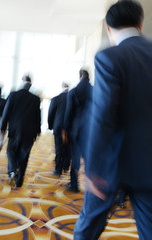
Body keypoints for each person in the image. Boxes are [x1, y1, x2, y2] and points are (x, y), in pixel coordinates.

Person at [74, 1, 152, 239]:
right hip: (149, 165)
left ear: (108, 28)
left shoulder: (109, 57)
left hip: (110, 165)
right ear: (141, 23)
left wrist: (93, 168)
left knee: (88, 228)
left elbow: (103, 115)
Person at [1, 75, 41, 187]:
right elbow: (38, 116)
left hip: (15, 129)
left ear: (22, 82)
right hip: (29, 131)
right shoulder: (35, 99)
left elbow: (6, 111)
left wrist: (3, 127)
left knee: (11, 150)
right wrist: (38, 130)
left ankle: (13, 169)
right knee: (24, 155)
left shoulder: (14, 95)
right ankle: (19, 182)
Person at [62, 69, 92, 193]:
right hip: (91, 131)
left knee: (75, 158)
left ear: (80, 76)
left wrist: (65, 130)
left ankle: (74, 185)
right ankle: (93, 187)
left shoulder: (73, 92)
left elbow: (68, 113)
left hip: (76, 131)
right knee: (90, 159)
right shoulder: (96, 91)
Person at [48, 82, 71, 177]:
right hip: (69, 127)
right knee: (67, 148)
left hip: (58, 127)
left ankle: (58, 169)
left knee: (58, 148)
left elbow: (50, 114)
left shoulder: (55, 99)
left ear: (62, 87)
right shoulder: (72, 98)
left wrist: (50, 125)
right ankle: (66, 167)